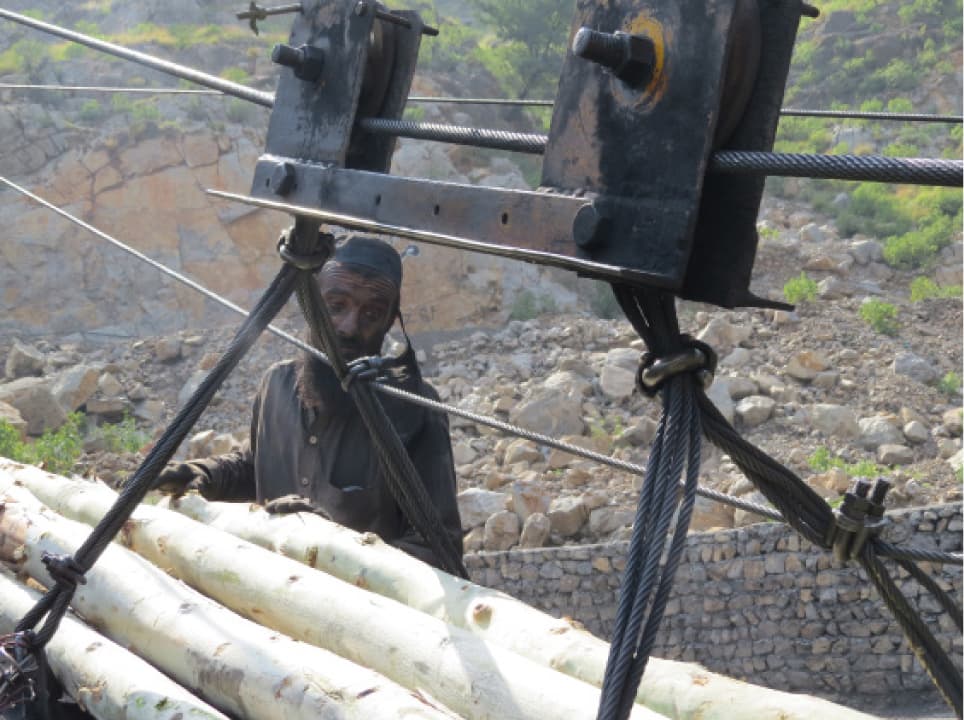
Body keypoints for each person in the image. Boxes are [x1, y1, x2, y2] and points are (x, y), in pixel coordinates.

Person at [155, 234, 463, 570]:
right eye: (336, 306)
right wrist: (204, 474)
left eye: (372, 313)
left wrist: (333, 551)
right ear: (311, 304)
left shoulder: (414, 410)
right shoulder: (277, 384)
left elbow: (439, 550)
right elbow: (256, 465)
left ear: (390, 321)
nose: (349, 326)